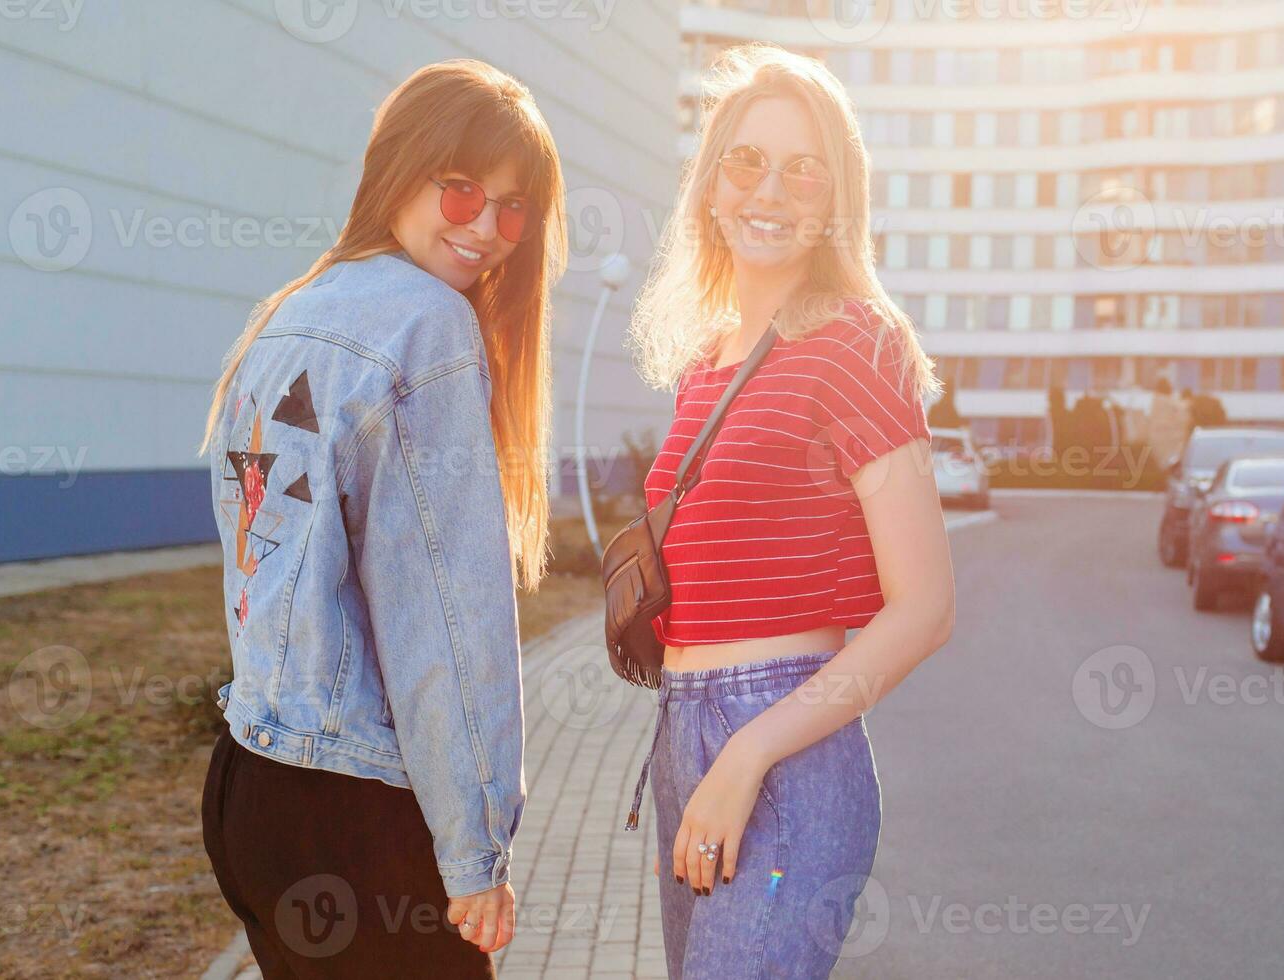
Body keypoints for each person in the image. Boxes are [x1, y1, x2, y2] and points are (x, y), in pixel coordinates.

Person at [195, 59, 566, 978]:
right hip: (358, 821)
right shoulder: (429, 326)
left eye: (514, 208)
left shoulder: (289, 315)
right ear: (401, 170)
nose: (488, 228)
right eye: (464, 192)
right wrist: (476, 853)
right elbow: (445, 616)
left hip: (250, 789)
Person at [623, 43, 957, 978]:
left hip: (786, 745)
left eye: (804, 168)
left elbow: (925, 608)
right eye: (748, 160)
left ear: (834, 199)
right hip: (682, 732)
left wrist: (746, 754)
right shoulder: (707, 361)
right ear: (712, 184)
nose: (771, 189)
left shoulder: (858, 340)